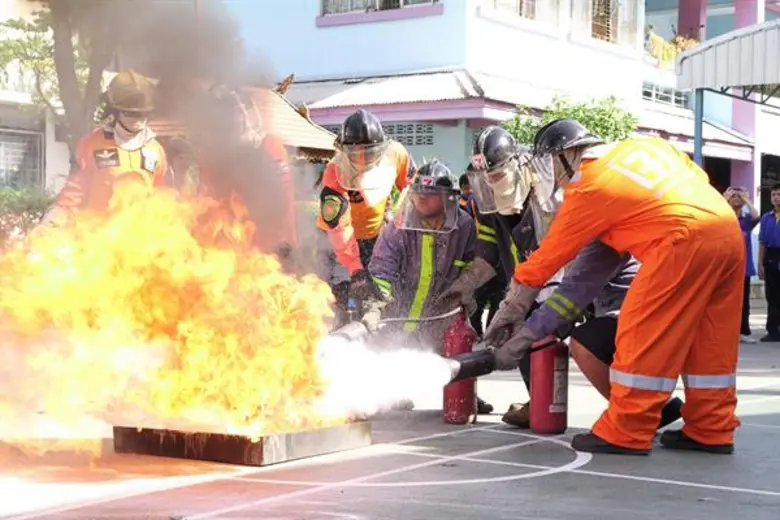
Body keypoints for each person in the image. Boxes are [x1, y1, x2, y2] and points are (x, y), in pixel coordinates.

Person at [486, 117, 743, 455]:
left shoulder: (590, 187)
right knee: (710, 342)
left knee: (641, 336)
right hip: (727, 234)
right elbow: (698, 180)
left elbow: (545, 260)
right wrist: (528, 333)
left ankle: (626, 430)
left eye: (551, 162)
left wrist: (510, 311)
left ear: (567, 154)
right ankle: (711, 428)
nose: (554, 173)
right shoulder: (650, 146)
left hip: (680, 243)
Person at [436, 125, 565, 425]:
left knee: (540, 333)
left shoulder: (546, 195)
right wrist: (465, 286)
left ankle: (550, 404)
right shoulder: (489, 203)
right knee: (515, 336)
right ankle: (539, 401)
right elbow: (489, 251)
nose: (494, 185)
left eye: (497, 176)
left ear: (517, 165)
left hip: (554, 280)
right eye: (487, 179)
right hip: (519, 282)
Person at [506, 240, 684, 430]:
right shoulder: (601, 235)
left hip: (647, 317)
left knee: (586, 341)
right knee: (547, 330)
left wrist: (521, 339)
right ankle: (654, 408)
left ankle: (634, 416)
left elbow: (573, 293)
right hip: (649, 313)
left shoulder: (604, 241)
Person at [362, 159, 492, 413]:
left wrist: (464, 289)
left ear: (447, 199)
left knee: (454, 349)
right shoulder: (397, 227)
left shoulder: (463, 226)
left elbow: (473, 262)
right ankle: (389, 394)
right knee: (388, 351)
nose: (422, 199)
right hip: (399, 308)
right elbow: (381, 269)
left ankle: (463, 395)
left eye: (431, 194)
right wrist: (376, 304)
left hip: (443, 307)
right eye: (418, 192)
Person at [42, 70, 168, 224]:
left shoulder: (156, 150)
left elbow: (161, 197)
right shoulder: (92, 144)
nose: (138, 120)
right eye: (130, 114)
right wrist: (55, 219)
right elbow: (74, 192)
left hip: (139, 240)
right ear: (114, 112)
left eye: (143, 114)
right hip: (97, 239)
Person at [318, 109, 415, 306]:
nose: (363, 160)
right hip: (338, 241)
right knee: (343, 295)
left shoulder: (397, 154)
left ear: (382, 147)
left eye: (370, 153)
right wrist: (355, 269)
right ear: (344, 150)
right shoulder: (334, 170)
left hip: (377, 236)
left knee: (382, 293)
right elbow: (338, 228)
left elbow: (412, 188)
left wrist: (396, 221)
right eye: (356, 154)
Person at [196, 84, 297, 257]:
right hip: (229, 246)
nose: (239, 120)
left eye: (241, 115)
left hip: (271, 242)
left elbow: (285, 196)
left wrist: (286, 240)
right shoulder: (208, 154)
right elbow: (209, 201)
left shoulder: (270, 146)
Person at [725, 187, 759, 343]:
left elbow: (756, 215)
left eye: (739, 197)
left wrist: (747, 199)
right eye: (734, 196)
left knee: (744, 302)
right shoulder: (723, 218)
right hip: (726, 268)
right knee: (725, 302)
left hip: (743, 268)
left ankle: (743, 331)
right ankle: (726, 332)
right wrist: (724, 199)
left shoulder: (746, 219)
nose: (736, 199)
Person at [758, 183, 780, 342]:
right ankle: (772, 331)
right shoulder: (766, 217)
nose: (776, 198)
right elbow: (762, 242)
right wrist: (760, 264)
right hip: (770, 256)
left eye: (779, 194)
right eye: (774, 195)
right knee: (771, 295)